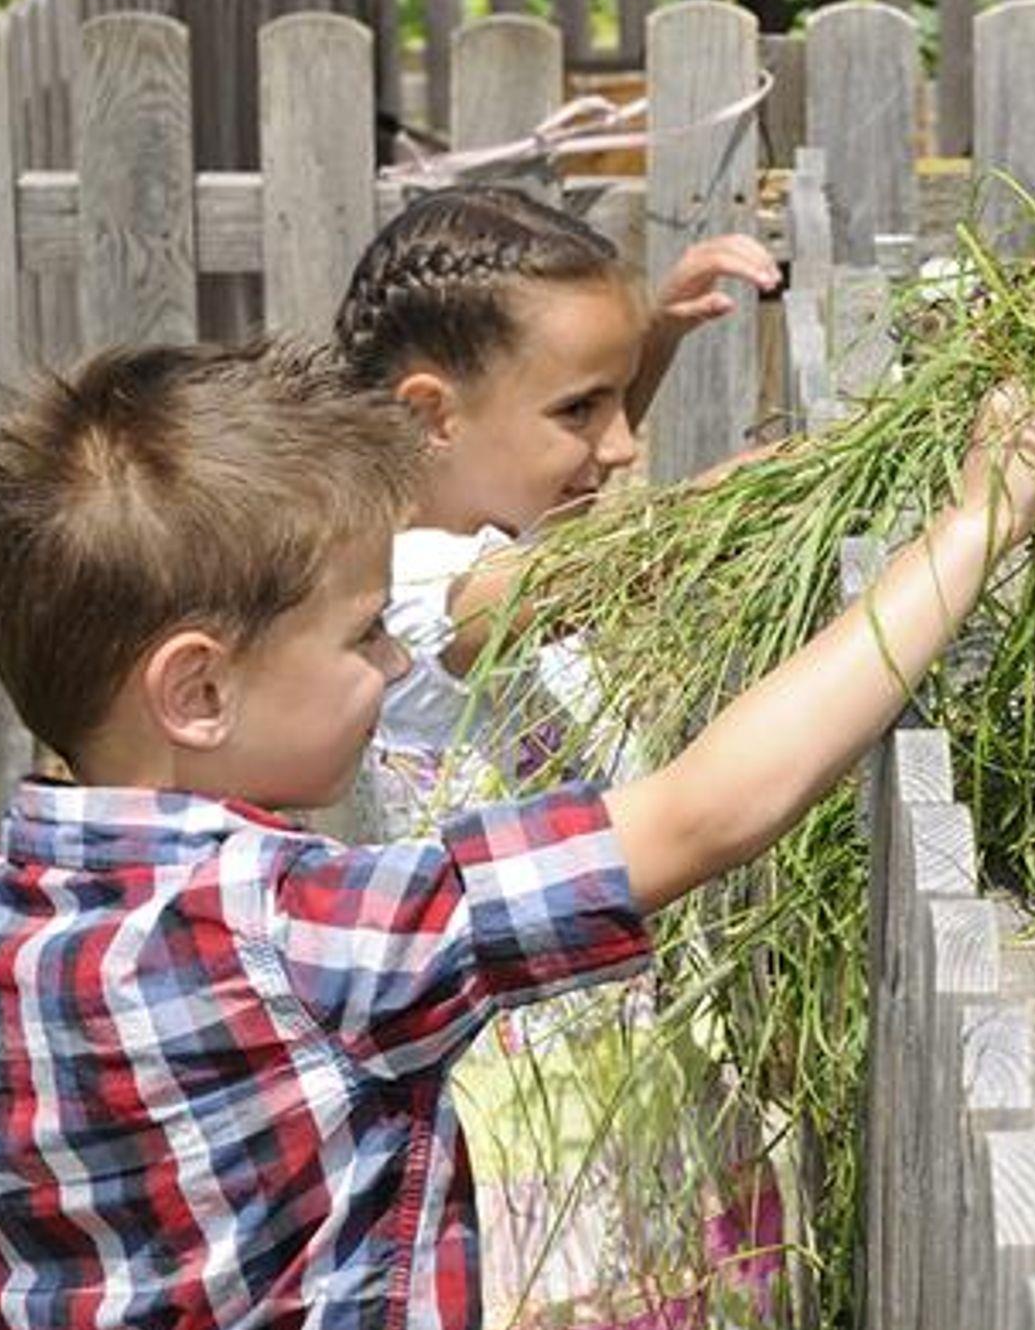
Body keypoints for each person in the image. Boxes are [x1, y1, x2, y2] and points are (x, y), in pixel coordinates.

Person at [0, 334, 1035, 1330]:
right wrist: (973, 528)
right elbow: (704, 809)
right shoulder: (305, 940)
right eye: (363, 635)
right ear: (197, 690)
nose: (397, 661)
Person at [336, 189, 787, 1324]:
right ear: (431, 416)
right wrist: (738, 505)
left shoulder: (487, 526)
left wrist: (649, 349)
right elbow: (561, 583)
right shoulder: (406, 587)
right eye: (583, 408)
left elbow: (551, 509)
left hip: (624, 1051)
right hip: (532, 1104)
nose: (622, 446)